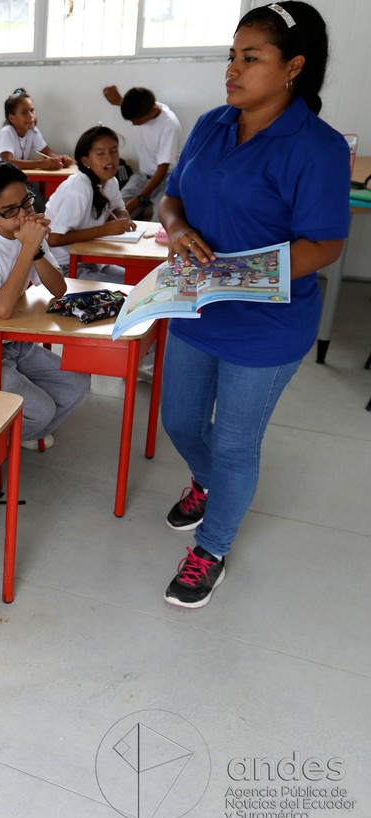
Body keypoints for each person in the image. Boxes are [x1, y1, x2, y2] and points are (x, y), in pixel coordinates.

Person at [156, 1, 348, 608]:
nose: (232, 70)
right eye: (231, 56)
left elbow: (326, 244)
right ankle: (207, 483)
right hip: (197, 306)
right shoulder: (213, 124)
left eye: (250, 57)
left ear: (293, 67)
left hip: (266, 324)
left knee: (236, 443)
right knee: (180, 421)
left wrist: (244, 273)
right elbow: (171, 198)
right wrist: (178, 229)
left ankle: (211, 549)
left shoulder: (316, 147)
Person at [0, 161, 90, 451]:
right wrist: (28, 247)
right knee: (41, 410)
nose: (23, 215)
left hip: (11, 342)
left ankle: (14, 433)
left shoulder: (30, 236)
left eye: (26, 203)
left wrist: (35, 249)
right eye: (10, 211)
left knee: (77, 382)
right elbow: (4, 309)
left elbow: (58, 289)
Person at [44, 125, 136, 277]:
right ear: (86, 161)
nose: (109, 158)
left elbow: (118, 208)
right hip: (64, 266)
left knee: (136, 280)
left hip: (92, 258)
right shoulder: (78, 188)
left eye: (114, 151)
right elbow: (54, 239)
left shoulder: (110, 181)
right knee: (129, 287)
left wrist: (124, 218)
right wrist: (106, 230)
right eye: (100, 154)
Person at [102, 85, 182, 220]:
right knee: (113, 214)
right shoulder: (141, 107)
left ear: (153, 111)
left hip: (166, 178)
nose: (134, 124)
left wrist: (139, 199)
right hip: (142, 176)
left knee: (160, 220)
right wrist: (118, 99)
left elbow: (162, 169)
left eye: (137, 121)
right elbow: (126, 104)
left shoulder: (169, 125)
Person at [0, 89, 73, 172]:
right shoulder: (7, 132)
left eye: (32, 110)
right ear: (12, 118)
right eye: (24, 113)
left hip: (15, 176)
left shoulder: (32, 131)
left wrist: (61, 160)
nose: (31, 116)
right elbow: (7, 162)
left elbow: (48, 153)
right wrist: (42, 164)